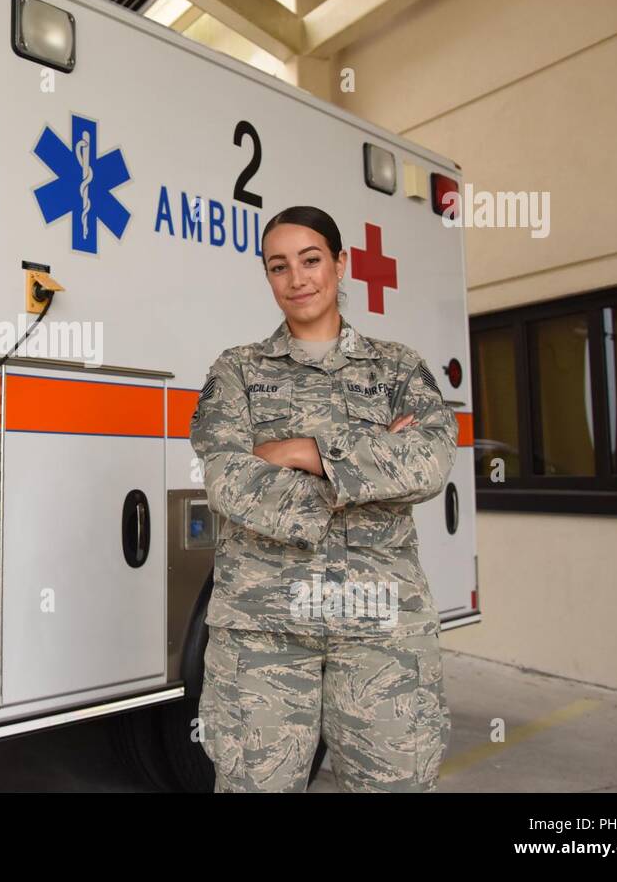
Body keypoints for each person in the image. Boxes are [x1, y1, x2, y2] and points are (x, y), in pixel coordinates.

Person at [190, 204, 458, 793]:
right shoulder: (236, 371)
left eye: (311, 260)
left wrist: (298, 450)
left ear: (339, 264)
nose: (297, 278)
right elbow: (228, 482)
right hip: (264, 631)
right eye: (278, 266)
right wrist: (366, 469)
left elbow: (430, 461)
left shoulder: (398, 369)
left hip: (380, 624)